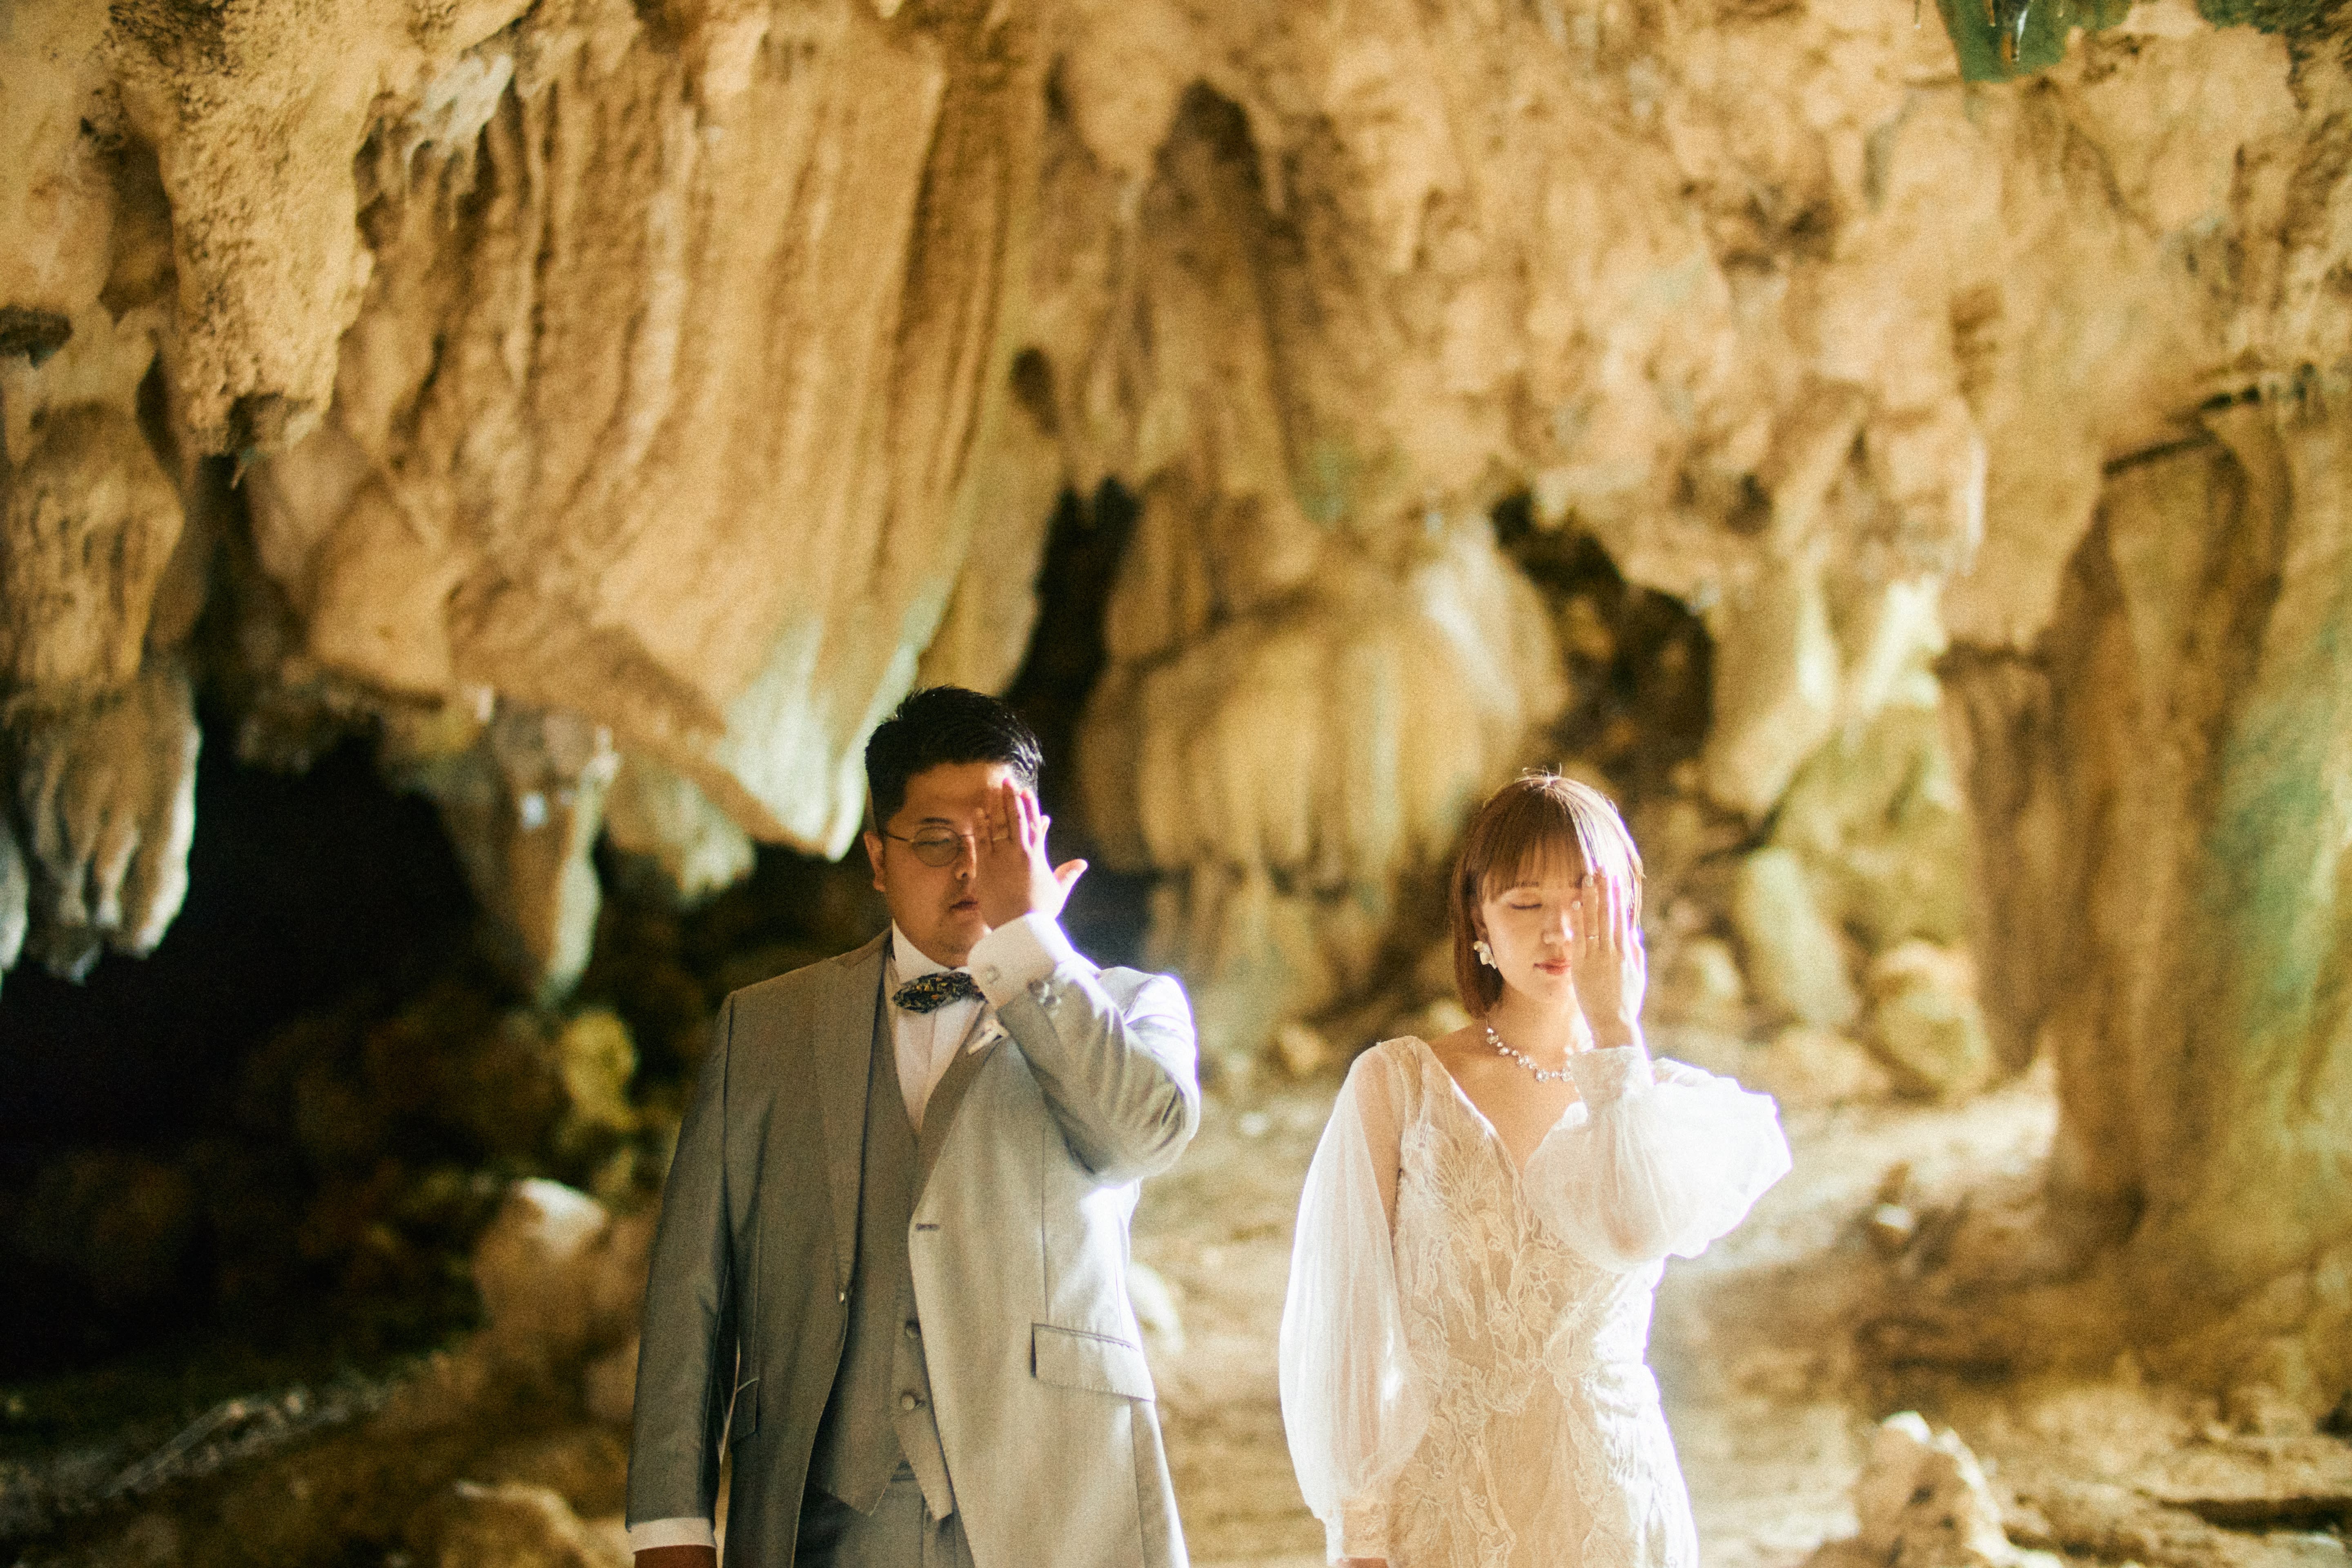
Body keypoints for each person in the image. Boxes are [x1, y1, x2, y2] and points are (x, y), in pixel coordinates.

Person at [626, 686, 1201, 1568]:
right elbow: (692, 1295)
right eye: (937, 841)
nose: (971, 870)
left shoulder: (1131, 1007)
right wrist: (671, 1528)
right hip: (827, 1525)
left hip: (1062, 1509)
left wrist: (1029, 946)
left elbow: (1142, 1140)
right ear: (878, 859)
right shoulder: (763, 1028)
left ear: (1040, 843)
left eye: (999, 840)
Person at [1278, 773, 1791, 1568]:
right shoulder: (1398, 1085)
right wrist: (1361, 1535)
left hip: (1614, 1509)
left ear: (1628, 911)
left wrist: (1616, 1032)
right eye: (1526, 903)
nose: (1560, 930)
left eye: (1587, 901)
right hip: (1446, 1518)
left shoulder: (1665, 1104)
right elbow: (1348, 1328)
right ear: (1478, 919)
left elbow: (1635, 1228)